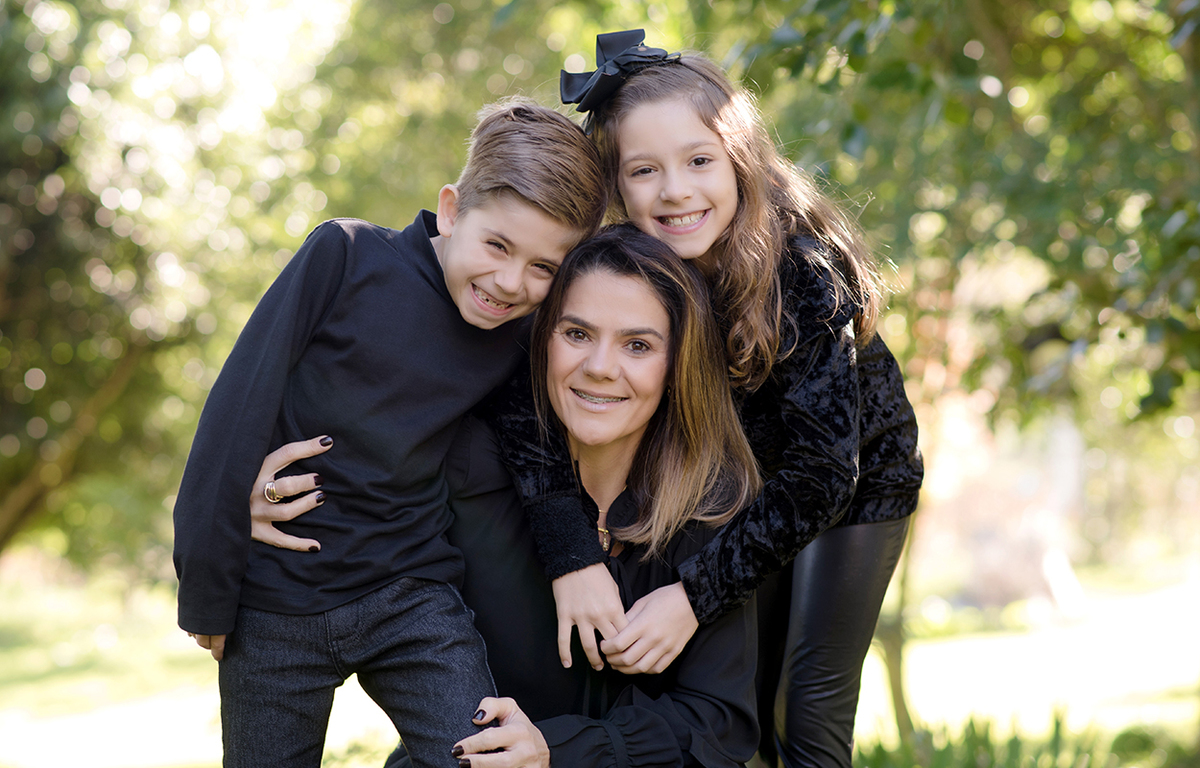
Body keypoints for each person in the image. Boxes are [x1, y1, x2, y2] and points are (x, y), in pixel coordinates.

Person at [493, 30, 924, 768]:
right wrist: (572, 554)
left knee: (803, 712)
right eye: (644, 170)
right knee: (740, 704)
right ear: (615, 186)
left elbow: (824, 473)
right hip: (751, 485)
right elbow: (521, 400)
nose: (675, 190)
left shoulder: (802, 272)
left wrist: (692, 597)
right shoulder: (630, 270)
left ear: (741, 161)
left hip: (850, 488)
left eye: (699, 161)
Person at [171, 99, 605, 768]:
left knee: (487, 759)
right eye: (497, 246)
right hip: (276, 603)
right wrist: (208, 585)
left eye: (543, 268)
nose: (509, 282)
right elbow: (236, 409)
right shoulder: (344, 257)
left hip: (411, 597)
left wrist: (576, 558)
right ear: (452, 210)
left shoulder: (519, 336)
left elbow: (540, 458)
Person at [257, 226, 764, 767]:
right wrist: (259, 499)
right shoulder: (463, 463)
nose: (599, 367)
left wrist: (556, 750)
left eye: (637, 345)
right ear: (541, 338)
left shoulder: (712, 506)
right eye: (577, 333)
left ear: (678, 362)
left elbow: (719, 726)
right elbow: (350, 525)